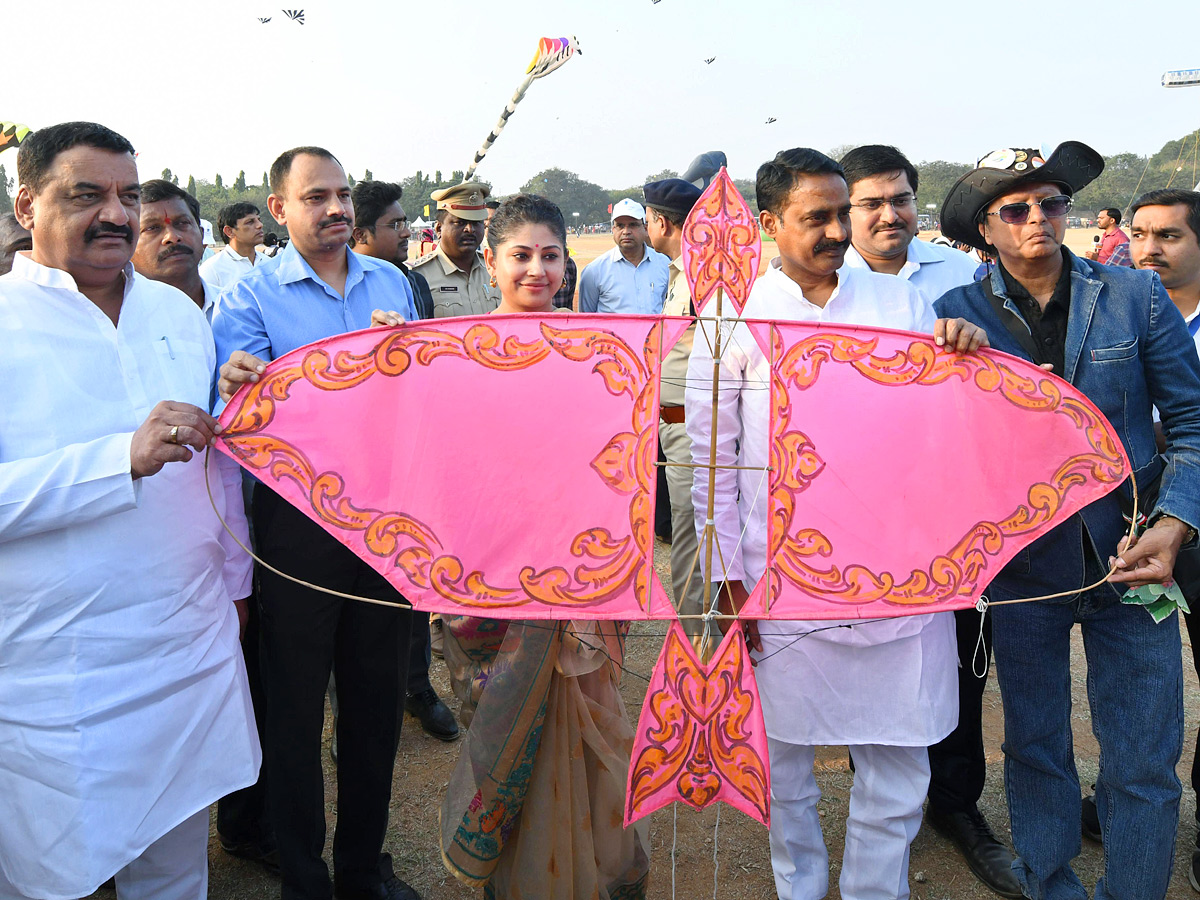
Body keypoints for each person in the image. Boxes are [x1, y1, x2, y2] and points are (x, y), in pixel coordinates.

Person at [686, 147, 987, 900]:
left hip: (896, 566)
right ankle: (800, 883)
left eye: (836, 214)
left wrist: (962, 352)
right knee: (784, 755)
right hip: (779, 573)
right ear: (768, 223)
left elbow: (939, 432)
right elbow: (711, 462)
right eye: (812, 218)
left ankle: (873, 891)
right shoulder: (729, 321)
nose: (832, 231)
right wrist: (725, 577)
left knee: (898, 759)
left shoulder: (900, 305)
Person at [0, 120, 259, 900]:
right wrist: (118, 461)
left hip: (189, 648)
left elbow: (213, 466)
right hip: (59, 676)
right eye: (86, 195)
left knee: (176, 871)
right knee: (55, 878)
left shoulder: (178, 313)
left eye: (128, 195)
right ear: (25, 205)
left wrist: (237, 581)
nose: (115, 214)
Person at [936, 141, 1200, 900]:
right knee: (1037, 749)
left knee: (1144, 759)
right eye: (1014, 210)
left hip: (1134, 557)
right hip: (1022, 570)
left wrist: (1174, 526)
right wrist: (962, 380)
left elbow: (1190, 423)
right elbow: (941, 456)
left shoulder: (1134, 297)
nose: (1037, 219)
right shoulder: (952, 318)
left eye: (1050, 203)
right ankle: (1051, 885)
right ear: (986, 230)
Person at [212, 146, 421, 900]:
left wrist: (405, 362)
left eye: (342, 196)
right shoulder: (248, 297)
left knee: (374, 711)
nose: (335, 209)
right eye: (316, 197)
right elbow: (243, 416)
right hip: (297, 528)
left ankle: (364, 870)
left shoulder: (390, 282)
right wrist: (245, 385)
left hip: (388, 527)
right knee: (295, 717)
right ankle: (305, 876)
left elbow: (418, 406)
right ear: (279, 209)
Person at [438, 194, 650, 900]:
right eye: (520, 255)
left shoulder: (599, 352)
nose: (536, 268)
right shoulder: (455, 354)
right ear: (492, 262)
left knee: (588, 732)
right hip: (487, 579)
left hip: (577, 575)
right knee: (503, 733)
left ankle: (581, 875)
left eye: (550, 255)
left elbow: (627, 457)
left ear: (568, 264)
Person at [838, 145, 1019, 898]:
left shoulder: (961, 279)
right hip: (856, 516)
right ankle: (884, 806)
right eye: (870, 202)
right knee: (869, 669)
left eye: (901, 198)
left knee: (960, 663)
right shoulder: (822, 289)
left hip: (948, 516)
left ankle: (957, 804)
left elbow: (990, 382)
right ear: (844, 213)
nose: (889, 214)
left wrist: (973, 344)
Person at [131, 177, 278, 873]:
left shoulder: (236, 309)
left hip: (248, 538)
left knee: (245, 696)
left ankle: (246, 829)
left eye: (181, 222)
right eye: (151, 225)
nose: (171, 236)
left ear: (203, 231)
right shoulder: (121, 334)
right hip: (153, 563)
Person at [349, 179, 456, 741]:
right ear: (362, 234)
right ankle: (355, 714)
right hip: (342, 475)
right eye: (394, 226)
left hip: (405, 462)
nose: (407, 233)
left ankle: (416, 687)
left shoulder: (405, 284)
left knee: (409, 581)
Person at [1128, 188, 1200, 893]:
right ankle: (1125, 802)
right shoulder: (1121, 311)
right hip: (1133, 531)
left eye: (1170, 235)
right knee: (1142, 682)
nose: (1150, 248)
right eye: (1141, 233)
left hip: (1192, 522)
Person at [642, 177, 708, 642]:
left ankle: (697, 637)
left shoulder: (702, 276)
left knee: (691, 532)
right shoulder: (679, 271)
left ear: (661, 222)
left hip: (695, 427)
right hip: (672, 424)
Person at [409, 181, 499, 317]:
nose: (470, 229)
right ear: (439, 228)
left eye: (477, 223)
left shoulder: (495, 270)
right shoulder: (419, 277)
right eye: (460, 222)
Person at [133, 179, 215, 316]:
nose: (172, 236)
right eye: (152, 228)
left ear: (201, 234)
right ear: (128, 246)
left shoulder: (239, 308)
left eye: (182, 223)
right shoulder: (116, 323)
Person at [578, 198, 670, 314]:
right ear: (613, 229)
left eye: (633, 225)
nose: (626, 231)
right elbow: (587, 318)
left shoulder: (663, 264)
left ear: (645, 229)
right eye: (620, 226)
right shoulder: (594, 271)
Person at [200, 200, 277, 290]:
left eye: (259, 220)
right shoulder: (212, 270)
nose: (260, 225)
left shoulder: (270, 264)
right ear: (229, 231)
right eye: (250, 222)